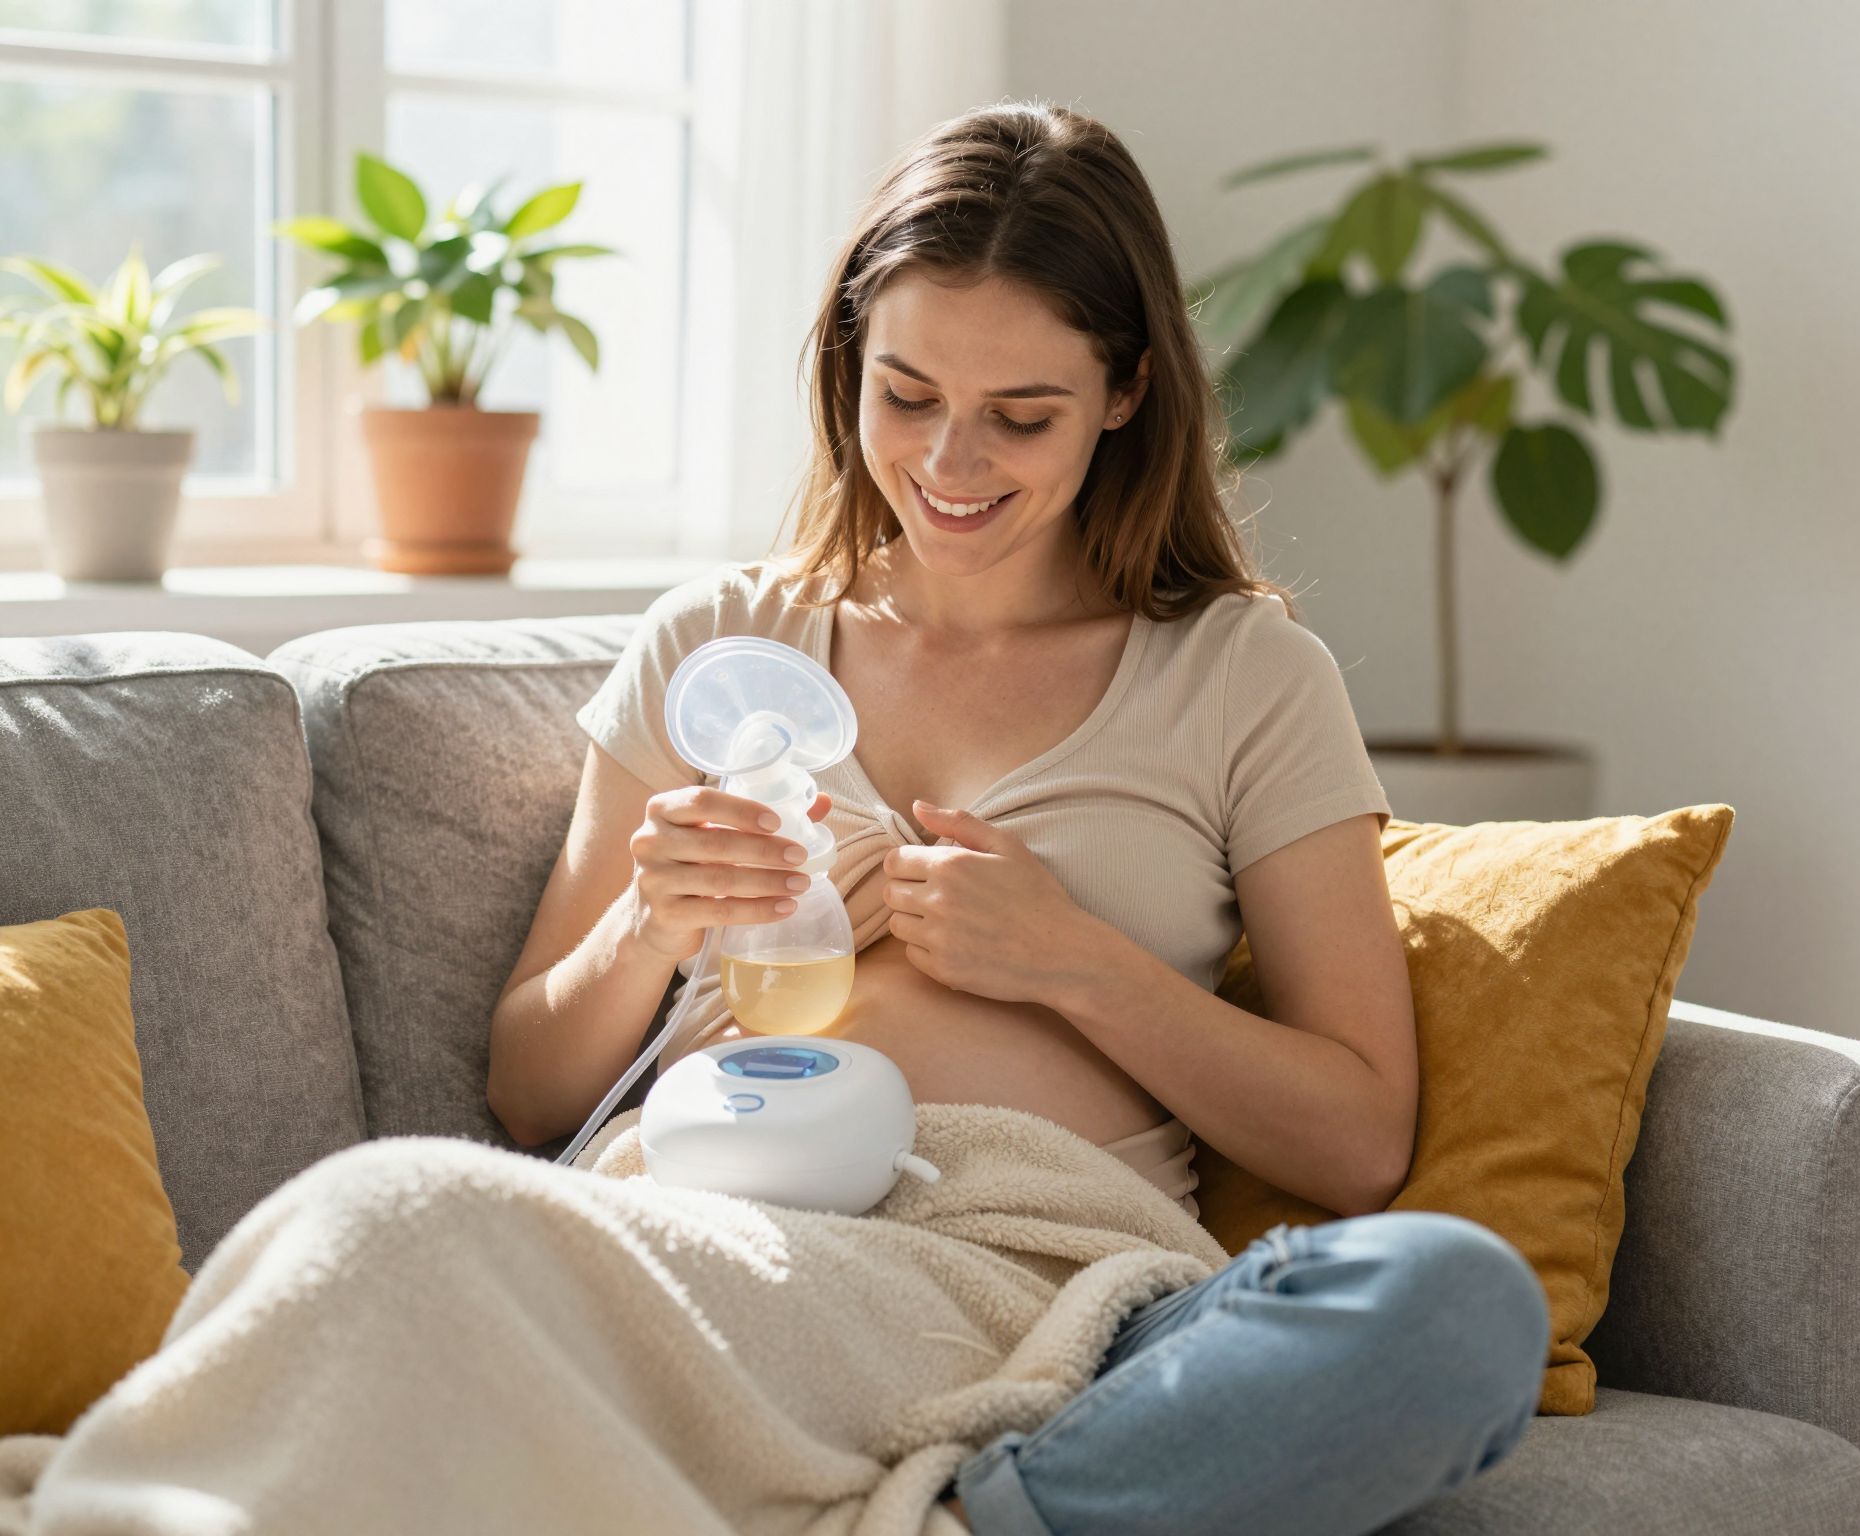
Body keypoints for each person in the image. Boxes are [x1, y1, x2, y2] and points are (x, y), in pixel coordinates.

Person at [487, 99, 1548, 1536]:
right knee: (377, 1227)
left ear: (1125, 393)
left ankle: (989, 1511)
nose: (949, 462)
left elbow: (1357, 1138)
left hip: (1059, 1295)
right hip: (726, 1244)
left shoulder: (1244, 675)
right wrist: (650, 919)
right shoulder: (719, 643)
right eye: (908, 395)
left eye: (1022, 415)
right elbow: (531, 1090)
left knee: (1455, 1304)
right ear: (850, 366)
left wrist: (1069, 959)